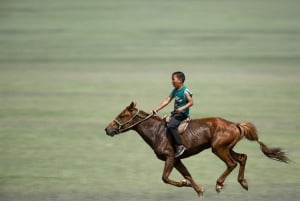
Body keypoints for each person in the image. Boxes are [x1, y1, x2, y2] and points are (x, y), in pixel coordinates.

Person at [153, 71, 193, 158]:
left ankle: (180, 146)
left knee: (171, 126)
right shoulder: (174, 91)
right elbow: (167, 100)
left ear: (180, 80)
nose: (172, 81)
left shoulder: (185, 91)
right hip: (175, 114)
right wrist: (157, 109)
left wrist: (182, 108)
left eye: (173, 79)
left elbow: (191, 102)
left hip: (182, 114)